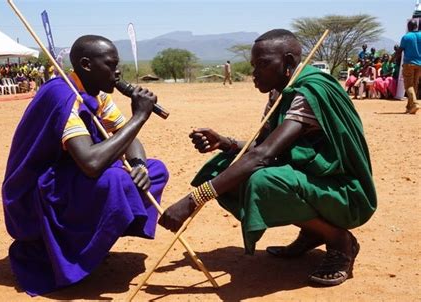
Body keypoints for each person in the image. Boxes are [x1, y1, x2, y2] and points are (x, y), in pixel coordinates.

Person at [159, 29, 377, 287]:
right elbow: (264, 145)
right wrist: (225, 143)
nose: (255, 73)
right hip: (318, 182)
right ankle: (313, 230)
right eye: (254, 65)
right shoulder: (280, 92)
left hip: (346, 193)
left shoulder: (308, 93)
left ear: (287, 62)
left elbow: (264, 155)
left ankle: (340, 241)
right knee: (226, 166)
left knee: (265, 181)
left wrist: (193, 200)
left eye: (263, 64)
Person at [2, 35, 169, 296]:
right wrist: (140, 116)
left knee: (155, 170)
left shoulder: (97, 94)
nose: (117, 71)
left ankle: (92, 241)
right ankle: (76, 247)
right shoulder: (64, 97)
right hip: (40, 190)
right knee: (116, 181)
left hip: (72, 176)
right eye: (111, 65)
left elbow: (127, 138)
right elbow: (91, 163)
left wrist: (140, 165)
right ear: (86, 65)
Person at [396, 19, 421, 114]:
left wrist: (394, 58)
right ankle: (409, 107)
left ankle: (414, 103)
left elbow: (400, 50)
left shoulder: (406, 37)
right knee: (414, 85)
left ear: (409, 27)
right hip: (420, 64)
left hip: (409, 63)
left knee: (409, 85)